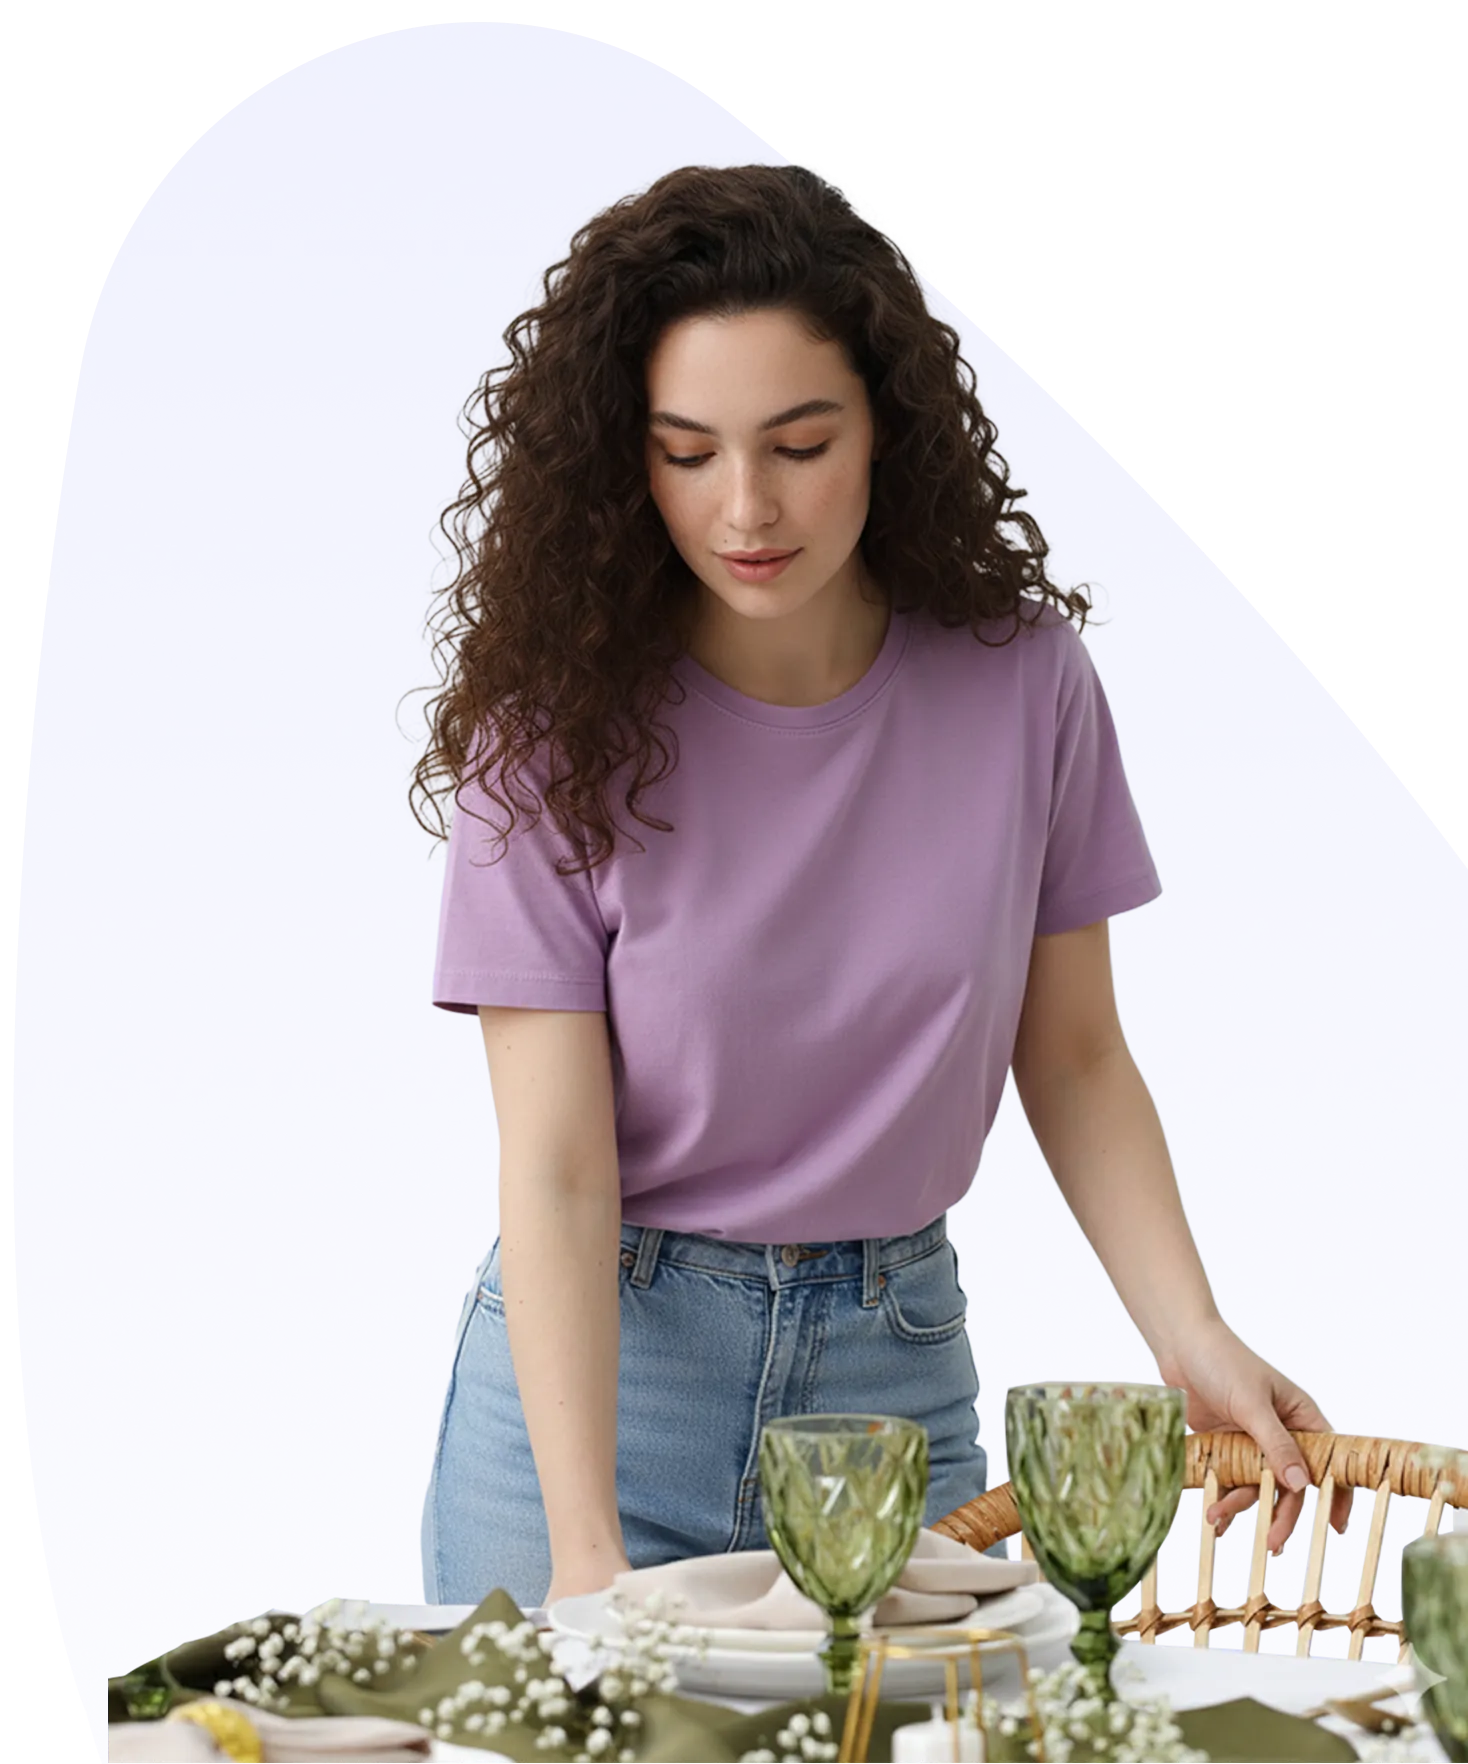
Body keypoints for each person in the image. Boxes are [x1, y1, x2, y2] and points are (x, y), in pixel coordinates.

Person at [406, 163, 1354, 1614]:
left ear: (886, 428)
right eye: (686, 452)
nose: (745, 507)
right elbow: (554, 1164)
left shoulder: (1022, 683)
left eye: (800, 443)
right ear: (623, 458)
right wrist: (586, 1554)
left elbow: (1077, 1052)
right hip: (602, 1392)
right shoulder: (549, 730)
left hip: (887, 1382)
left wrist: (1192, 1330)